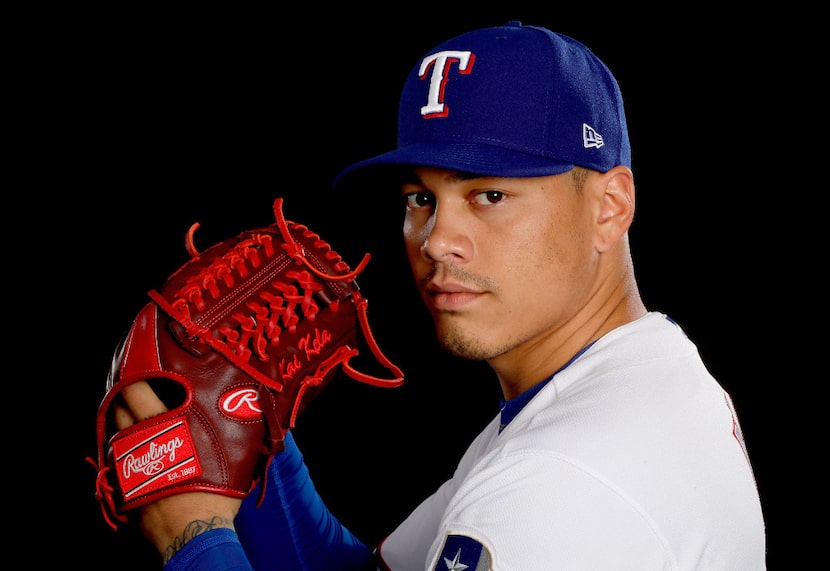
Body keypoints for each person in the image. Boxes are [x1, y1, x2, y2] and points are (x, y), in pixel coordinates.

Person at [114, 21, 767, 569]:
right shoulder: (621, 379)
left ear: (609, 205)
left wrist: (193, 536)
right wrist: (255, 437)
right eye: (420, 198)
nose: (435, 239)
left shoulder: (566, 480)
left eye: (489, 194)